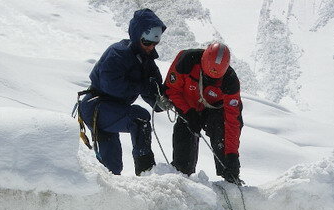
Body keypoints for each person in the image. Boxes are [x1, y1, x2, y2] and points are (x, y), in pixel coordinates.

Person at [77, 9, 166, 176]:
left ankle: (107, 192)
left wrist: (161, 102)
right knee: (139, 118)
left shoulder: (146, 60)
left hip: (112, 109)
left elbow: (151, 88)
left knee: (112, 167)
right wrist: (143, 86)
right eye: (147, 42)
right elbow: (111, 85)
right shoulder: (118, 53)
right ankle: (146, 172)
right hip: (97, 105)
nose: (151, 47)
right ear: (136, 35)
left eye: (155, 43)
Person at [164, 42, 243, 183]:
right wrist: (188, 113)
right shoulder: (186, 61)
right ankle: (182, 176)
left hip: (214, 112)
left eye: (215, 79)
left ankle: (229, 177)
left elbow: (233, 121)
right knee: (185, 135)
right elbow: (171, 90)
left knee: (221, 130)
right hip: (187, 107)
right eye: (208, 77)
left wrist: (232, 156)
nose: (211, 81)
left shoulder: (230, 82)